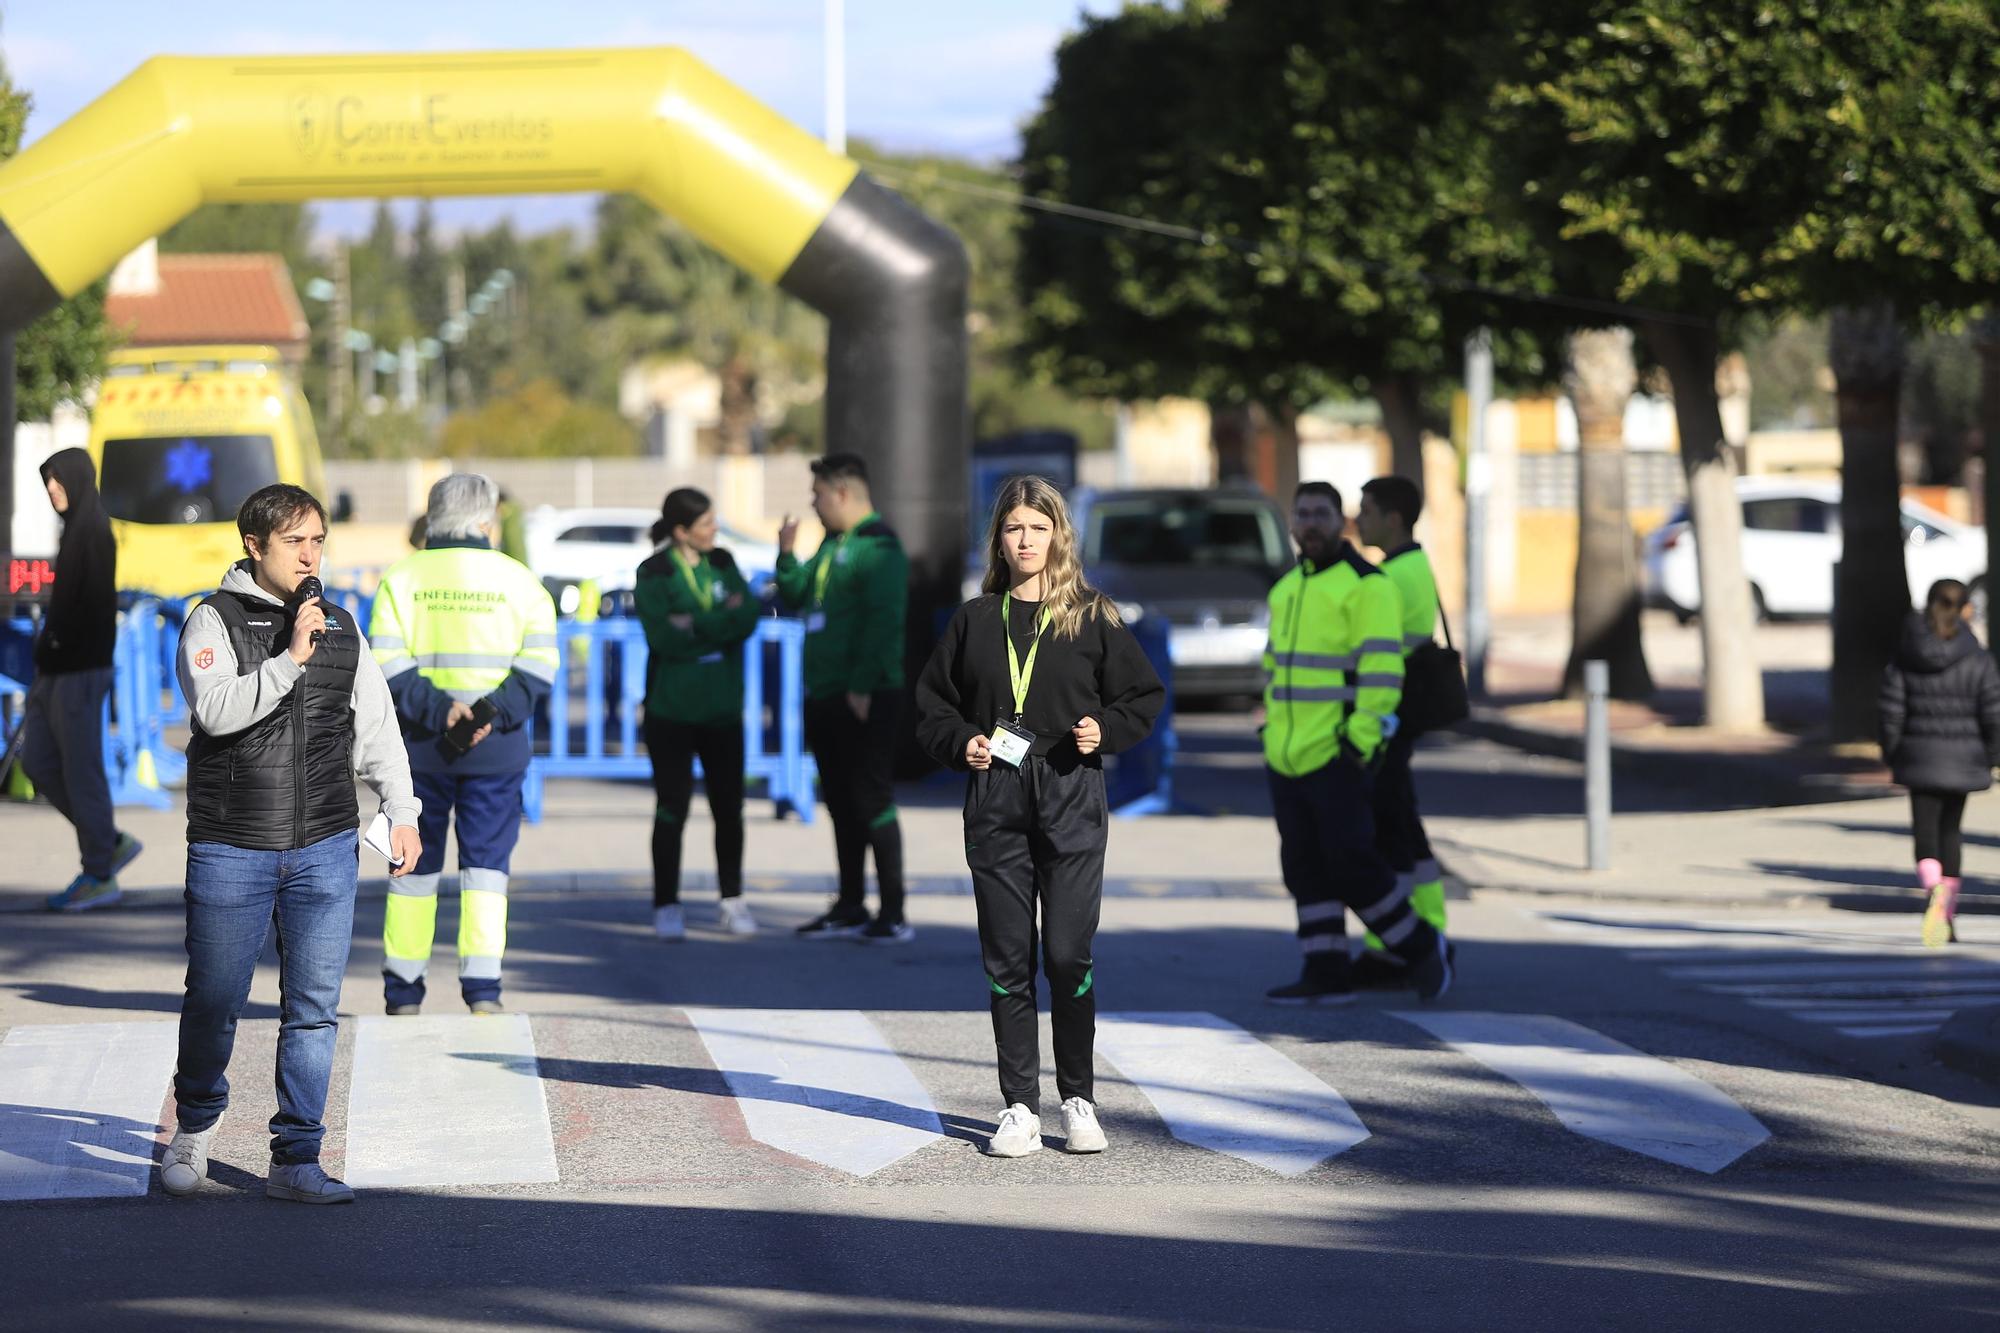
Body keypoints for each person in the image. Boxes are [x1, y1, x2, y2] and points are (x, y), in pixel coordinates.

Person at [163, 484, 421, 1203]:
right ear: (255, 546)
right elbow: (214, 713)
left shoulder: (341, 624)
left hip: (326, 846)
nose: (311, 556)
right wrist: (289, 661)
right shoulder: (210, 621)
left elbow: (377, 730)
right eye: (295, 542)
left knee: (313, 1007)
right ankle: (195, 1129)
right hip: (232, 845)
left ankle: (296, 1157)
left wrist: (403, 810)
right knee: (215, 1000)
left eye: (318, 541)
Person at [916, 476, 1164, 1158]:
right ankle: (1019, 1106)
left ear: (1059, 534)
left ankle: (1078, 1098)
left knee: (1065, 953)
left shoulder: (1091, 615)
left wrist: (1102, 730)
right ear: (998, 537)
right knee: (1009, 957)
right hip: (995, 801)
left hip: (1071, 799)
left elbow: (1143, 694)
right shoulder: (973, 619)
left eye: (1037, 526)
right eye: (1013, 528)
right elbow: (932, 706)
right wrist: (960, 739)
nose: (1025, 540)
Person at [368, 474, 558, 1016]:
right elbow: (539, 663)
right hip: (495, 751)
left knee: (409, 868)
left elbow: (387, 661)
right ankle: (483, 990)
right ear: (484, 520)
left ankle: (403, 991)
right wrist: (486, 714)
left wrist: (439, 709)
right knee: (486, 870)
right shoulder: (520, 581)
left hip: (415, 752)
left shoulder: (401, 579)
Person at [1262, 481, 1452, 1005]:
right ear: (1293, 524)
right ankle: (1324, 968)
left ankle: (1419, 946)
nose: (1311, 523)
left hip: (1338, 752)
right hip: (1286, 754)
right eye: (1302, 514)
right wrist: (1268, 731)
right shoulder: (1286, 590)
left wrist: (1360, 740)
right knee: (1304, 867)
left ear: (1340, 520)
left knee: (1352, 863)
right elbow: (1276, 670)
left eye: (1322, 513)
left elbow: (1381, 671)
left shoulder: (1369, 585)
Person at [773, 452, 912, 942]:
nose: (813, 504)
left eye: (818, 495)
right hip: (825, 691)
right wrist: (787, 555)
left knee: (871, 795)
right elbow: (794, 596)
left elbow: (883, 622)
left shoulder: (880, 547)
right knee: (838, 798)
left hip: (866, 694)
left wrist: (861, 685)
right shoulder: (833, 544)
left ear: (842, 493)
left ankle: (892, 912)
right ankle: (851, 902)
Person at [634, 487, 762, 940]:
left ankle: (733, 900)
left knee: (730, 808)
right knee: (672, 807)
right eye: (706, 523)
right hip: (670, 710)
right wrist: (718, 622)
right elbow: (662, 637)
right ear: (681, 530)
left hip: (723, 710)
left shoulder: (724, 562)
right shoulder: (653, 572)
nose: (714, 530)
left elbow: (748, 616)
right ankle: (666, 903)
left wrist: (694, 624)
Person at [24, 448, 141, 910]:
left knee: (81, 770)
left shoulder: (93, 531)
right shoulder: (73, 529)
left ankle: (98, 871)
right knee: (38, 762)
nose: (53, 490)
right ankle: (106, 840)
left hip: (80, 669)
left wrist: (58, 644)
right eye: (47, 482)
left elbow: (86, 611)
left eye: (58, 480)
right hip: (55, 669)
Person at [1351, 474, 1449, 986]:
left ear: (1392, 518)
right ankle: (1426, 932)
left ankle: (1396, 945)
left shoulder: (1391, 578)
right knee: (1404, 830)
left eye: (1365, 509)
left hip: (1388, 720)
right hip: (1403, 718)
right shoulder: (1413, 565)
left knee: (1389, 834)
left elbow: (1377, 650)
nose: (1358, 518)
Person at [1879, 578, 2000, 947]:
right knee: (1952, 833)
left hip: (1919, 757)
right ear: (1965, 609)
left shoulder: (1905, 653)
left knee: (1925, 833)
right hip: (1965, 760)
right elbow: (1993, 712)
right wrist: (1992, 755)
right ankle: (1947, 915)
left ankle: (1933, 889)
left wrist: (1893, 751)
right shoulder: (1978, 658)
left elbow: (1890, 711)